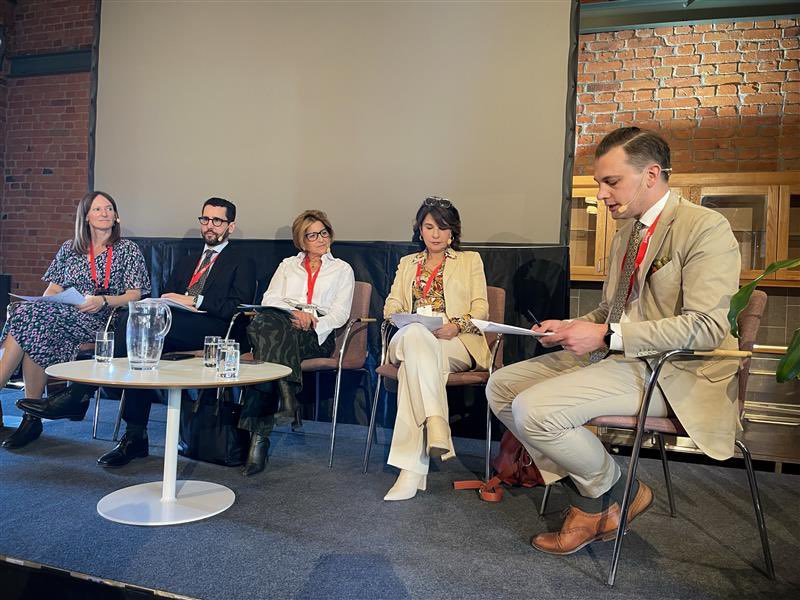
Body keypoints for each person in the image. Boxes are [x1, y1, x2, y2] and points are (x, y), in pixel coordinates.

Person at [486, 127, 741, 555]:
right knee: (502, 388)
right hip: (619, 357)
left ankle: (593, 503)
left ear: (652, 175)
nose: (601, 194)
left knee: (535, 409)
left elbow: (706, 327)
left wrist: (606, 335)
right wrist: (569, 327)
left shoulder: (705, 227)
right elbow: (611, 311)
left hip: (673, 371)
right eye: (598, 183)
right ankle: (615, 489)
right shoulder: (628, 232)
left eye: (611, 181)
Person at [19, 197, 256, 468]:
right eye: (205, 219)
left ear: (231, 226)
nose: (210, 226)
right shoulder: (187, 261)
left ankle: (78, 396)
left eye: (218, 221)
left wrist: (196, 301)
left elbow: (238, 306)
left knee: (144, 333)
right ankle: (134, 436)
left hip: (216, 329)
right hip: (174, 325)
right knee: (140, 342)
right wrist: (167, 302)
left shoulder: (241, 260)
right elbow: (167, 297)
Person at [0, 191, 149, 448]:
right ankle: (32, 415)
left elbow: (135, 294)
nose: (105, 213)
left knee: (27, 320)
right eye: (98, 209)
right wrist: (51, 303)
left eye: (109, 209)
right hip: (65, 313)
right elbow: (53, 290)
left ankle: (30, 416)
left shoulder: (127, 249)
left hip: (105, 319)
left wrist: (102, 301)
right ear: (86, 217)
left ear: (116, 216)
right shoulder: (70, 248)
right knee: (28, 316)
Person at [381, 197, 491, 501]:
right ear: (420, 230)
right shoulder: (407, 264)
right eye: (429, 226)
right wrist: (400, 317)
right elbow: (391, 304)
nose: (435, 234)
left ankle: (411, 471)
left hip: (452, 340)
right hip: (409, 335)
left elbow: (482, 309)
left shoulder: (470, 261)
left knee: (413, 372)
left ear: (452, 231)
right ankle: (437, 423)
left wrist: (456, 324)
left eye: (442, 227)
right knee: (416, 336)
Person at [238, 209, 354, 476]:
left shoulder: (342, 269)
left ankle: (260, 436)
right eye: (312, 235)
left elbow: (340, 313)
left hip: (316, 335)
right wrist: (294, 314)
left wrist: (312, 320)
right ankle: (285, 394)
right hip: (285, 325)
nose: (320, 239)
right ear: (301, 241)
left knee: (266, 342)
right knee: (265, 322)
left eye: (323, 233)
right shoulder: (287, 265)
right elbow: (270, 299)